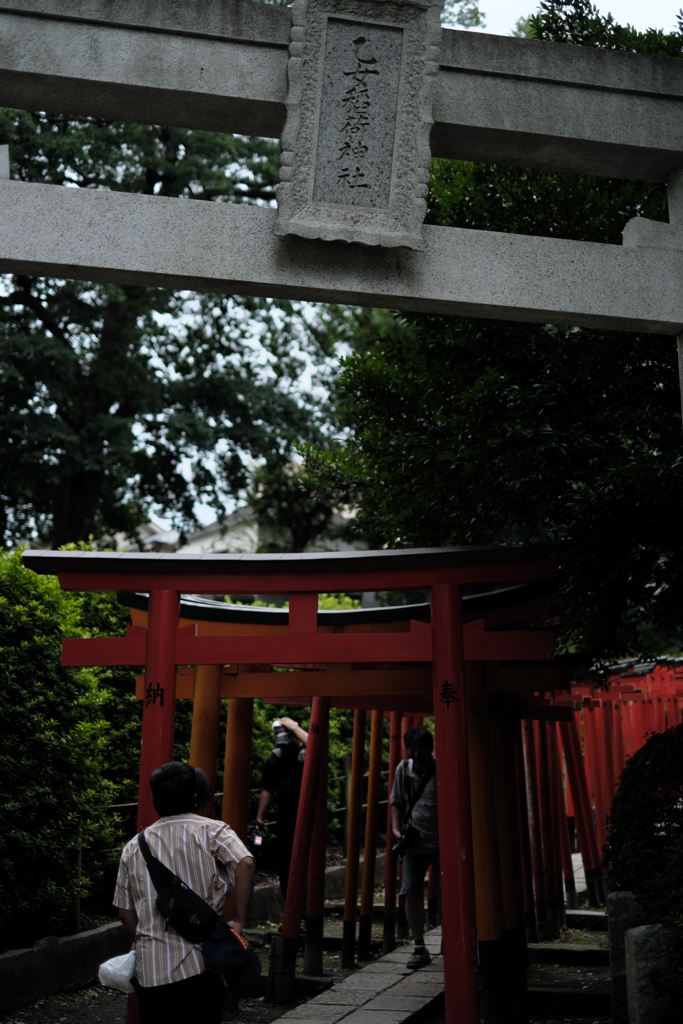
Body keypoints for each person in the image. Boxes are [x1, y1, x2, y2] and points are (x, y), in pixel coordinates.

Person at [114, 760, 255, 1024]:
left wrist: (144, 940)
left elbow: (125, 912)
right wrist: (239, 920)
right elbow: (245, 863)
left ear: (156, 799)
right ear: (194, 796)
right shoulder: (211, 831)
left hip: (151, 973)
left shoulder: (134, 846)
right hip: (199, 965)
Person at [390, 726, 439, 970]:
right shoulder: (404, 769)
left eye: (421, 748)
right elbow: (396, 801)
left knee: (450, 891)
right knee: (410, 891)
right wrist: (396, 830)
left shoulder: (442, 767)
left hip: (443, 840)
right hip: (413, 840)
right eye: (412, 748)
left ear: (431, 747)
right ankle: (419, 946)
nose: (416, 753)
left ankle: (456, 941)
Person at [254, 716, 308, 898]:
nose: (286, 747)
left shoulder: (307, 752)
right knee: (285, 864)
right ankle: (290, 910)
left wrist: (294, 726)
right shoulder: (276, 757)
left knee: (307, 864)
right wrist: (260, 818)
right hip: (285, 818)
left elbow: (317, 745)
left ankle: (306, 912)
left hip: (309, 818)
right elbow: (268, 789)